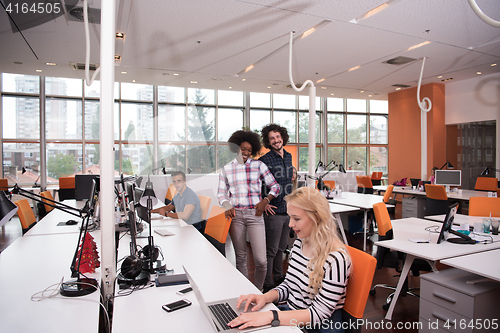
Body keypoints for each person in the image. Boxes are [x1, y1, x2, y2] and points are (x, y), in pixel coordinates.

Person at [229, 187, 351, 333]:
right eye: (290, 217)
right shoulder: (300, 243)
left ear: (317, 217)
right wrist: (265, 297)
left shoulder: (336, 259)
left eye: (296, 218)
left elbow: (319, 314)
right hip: (294, 316)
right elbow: (289, 284)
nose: (290, 224)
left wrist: (271, 316)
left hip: (317, 327)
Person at [218, 130, 280, 291]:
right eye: (243, 149)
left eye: (249, 151)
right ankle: (244, 292)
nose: (245, 153)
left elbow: (275, 186)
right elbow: (221, 194)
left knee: (261, 260)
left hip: (255, 215)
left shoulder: (259, 165)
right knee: (241, 258)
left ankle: (258, 291)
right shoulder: (226, 169)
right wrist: (226, 205)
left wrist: (266, 200)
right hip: (236, 216)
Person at [259, 123, 295, 292]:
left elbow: (288, 182)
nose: (275, 140)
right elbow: (254, 185)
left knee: (282, 248)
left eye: (277, 137)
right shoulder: (264, 161)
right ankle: (267, 282)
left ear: (282, 138)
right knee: (271, 250)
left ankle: (279, 276)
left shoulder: (288, 157)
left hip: (287, 210)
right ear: (268, 141)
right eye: (271, 138)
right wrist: (263, 202)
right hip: (273, 211)